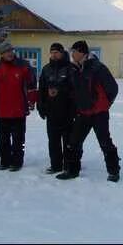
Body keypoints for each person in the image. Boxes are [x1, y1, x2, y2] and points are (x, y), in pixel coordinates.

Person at [57, 40, 121, 182]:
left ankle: (114, 171)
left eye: (74, 51)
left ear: (82, 53)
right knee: (74, 142)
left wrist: (105, 105)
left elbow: (113, 88)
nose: (72, 54)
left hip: (99, 113)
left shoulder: (97, 68)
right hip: (83, 112)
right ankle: (72, 171)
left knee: (105, 142)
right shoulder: (74, 69)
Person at [0, 42, 37, 172]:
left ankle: (17, 161)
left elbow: (31, 85)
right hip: (2, 109)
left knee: (19, 139)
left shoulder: (24, 66)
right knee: (3, 139)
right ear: (1, 54)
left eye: (10, 51)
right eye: (6, 52)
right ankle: (4, 161)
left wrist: (32, 101)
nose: (9, 54)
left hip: (19, 109)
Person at [37, 43, 77, 174]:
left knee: (68, 141)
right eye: (52, 52)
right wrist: (41, 106)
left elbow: (75, 89)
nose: (54, 55)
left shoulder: (71, 69)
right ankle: (56, 165)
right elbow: (41, 89)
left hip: (67, 111)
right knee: (53, 141)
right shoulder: (46, 69)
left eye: (56, 52)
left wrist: (60, 91)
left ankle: (69, 165)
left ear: (62, 53)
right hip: (51, 111)